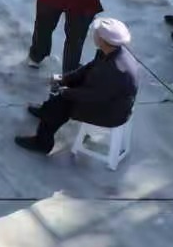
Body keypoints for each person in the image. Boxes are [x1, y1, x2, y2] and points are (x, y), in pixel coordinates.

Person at [15, 17, 141, 153]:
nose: (93, 35)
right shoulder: (111, 51)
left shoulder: (116, 70)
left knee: (60, 103)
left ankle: (42, 143)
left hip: (110, 111)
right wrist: (63, 79)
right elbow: (88, 69)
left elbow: (94, 96)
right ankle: (47, 111)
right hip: (103, 94)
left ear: (102, 40)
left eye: (96, 33)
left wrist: (65, 92)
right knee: (61, 91)